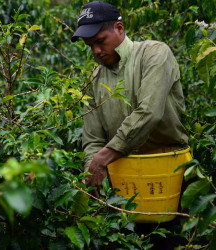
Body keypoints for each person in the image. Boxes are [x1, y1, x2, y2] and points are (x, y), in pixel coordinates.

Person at [71, 1, 189, 197]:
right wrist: (91, 177)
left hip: (169, 169)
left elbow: (149, 112)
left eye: (100, 41)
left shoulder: (155, 54)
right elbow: (93, 140)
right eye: (90, 45)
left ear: (119, 28)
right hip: (124, 180)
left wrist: (103, 158)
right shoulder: (94, 79)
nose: (96, 51)